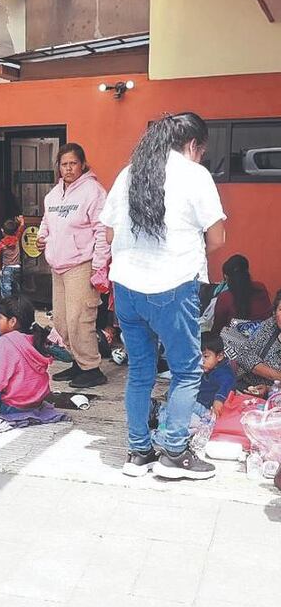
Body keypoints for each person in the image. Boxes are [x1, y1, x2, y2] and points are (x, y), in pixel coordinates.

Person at [100, 112, 227, 480]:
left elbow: (109, 236)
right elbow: (217, 238)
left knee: (140, 371)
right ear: (193, 145)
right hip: (172, 288)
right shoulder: (194, 175)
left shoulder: (128, 174)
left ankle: (139, 453)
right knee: (186, 370)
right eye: (201, 151)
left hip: (126, 288)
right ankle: (174, 452)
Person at [37, 143, 110, 388]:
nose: (68, 168)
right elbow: (46, 222)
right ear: (59, 167)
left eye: (73, 163)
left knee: (80, 319)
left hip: (82, 263)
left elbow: (103, 229)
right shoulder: (53, 195)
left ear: (82, 164)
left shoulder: (94, 191)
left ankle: (91, 368)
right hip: (58, 266)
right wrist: (42, 238)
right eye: (64, 164)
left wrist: (99, 266)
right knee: (61, 321)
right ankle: (79, 363)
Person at [223, 289, 281, 395]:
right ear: (274, 312)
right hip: (246, 384)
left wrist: (269, 389)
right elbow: (244, 354)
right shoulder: (271, 325)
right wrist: (277, 376)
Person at [208, 254, 272, 335]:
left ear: (226, 277)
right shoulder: (261, 287)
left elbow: (217, 328)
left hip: (237, 343)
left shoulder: (225, 297)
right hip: (266, 337)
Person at [0, 215, 26, 297]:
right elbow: (21, 229)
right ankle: (17, 306)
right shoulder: (16, 239)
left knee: (6, 291)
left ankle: (8, 307)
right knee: (16, 290)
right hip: (17, 267)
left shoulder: (1, 244)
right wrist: (22, 221)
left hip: (7, 268)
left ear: (2, 231)